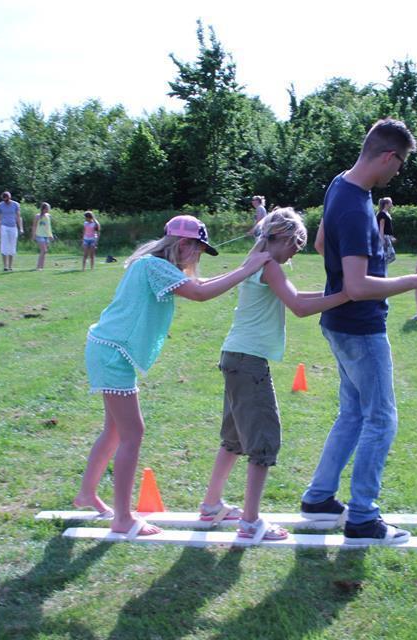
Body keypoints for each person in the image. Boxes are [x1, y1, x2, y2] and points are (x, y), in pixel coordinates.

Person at [74, 215, 271, 539]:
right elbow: (201, 293)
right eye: (198, 251)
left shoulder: (153, 266)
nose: (197, 259)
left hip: (107, 350)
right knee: (132, 433)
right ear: (183, 245)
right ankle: (122, 518)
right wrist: (247, 269)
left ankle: (86, 494)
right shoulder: (153, 266)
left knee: (114, 431)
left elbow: (201, 287)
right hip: (112, 353)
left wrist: (245, 266)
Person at [299, 118, 417, 545]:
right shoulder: (358, 205)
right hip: (360, 328)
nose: (398, 172)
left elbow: (323, 245)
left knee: (353, 414)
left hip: (340, 326)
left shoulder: (338, 186)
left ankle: (320, 498)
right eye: (400, 164)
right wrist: (413, 281)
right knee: (381, 419)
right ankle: (362, 516)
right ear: (387, 156)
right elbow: (357, 287)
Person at [200, 208, 350, 541]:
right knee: (264, 442)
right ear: (281, 238)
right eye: (296, 245)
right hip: (248, 361)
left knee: (234, 439)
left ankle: (212, 504)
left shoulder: (257, 259)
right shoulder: (268, 264)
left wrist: (338, 296)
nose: (296, 252)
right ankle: (251, 522)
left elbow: (293, 297)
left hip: (236, 357)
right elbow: (298, 307)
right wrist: (346, 295)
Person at [0, 191, 22, 271]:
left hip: (13, 227)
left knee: (12, 246)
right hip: (4, 226)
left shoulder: (15, 204)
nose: (6, 201)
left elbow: (18, 217)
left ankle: (10, 266)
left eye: (7, 199)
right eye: (5, 200)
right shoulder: (0, 205)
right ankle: (5, 266)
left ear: (10, 198)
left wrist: (21, 227)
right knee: (4, 246)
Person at [31, 202, 55, 270]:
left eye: (48, 209)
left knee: (45, 251)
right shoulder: (37, 216)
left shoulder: (48, 216)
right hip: (39, 235)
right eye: (46, 209)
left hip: (46, 235)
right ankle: (38, 266)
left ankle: (42, 266)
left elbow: (49, 227)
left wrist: (51, 235)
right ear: (43, 209)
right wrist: (33, 235)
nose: (48, 210)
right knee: (43, 250)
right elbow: (34, 226)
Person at [377, 197, 397, 268]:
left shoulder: (387, 213)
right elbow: (381, 227)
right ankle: (381, 269)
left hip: (387, 237)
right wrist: (382, 239)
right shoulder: (382, 214)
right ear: (386, 204)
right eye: (391, 203)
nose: (392, 204)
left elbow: (388, 228)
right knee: (387, 256)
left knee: (390, 256)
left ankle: (383, 268)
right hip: (384, 237)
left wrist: (391, 237)